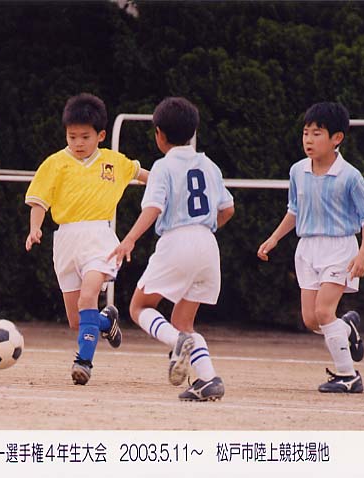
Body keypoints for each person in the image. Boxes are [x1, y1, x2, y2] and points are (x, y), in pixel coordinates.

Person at [108, 97, 235, 401]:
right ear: (193, 132)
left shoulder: (162, 167)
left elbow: (153, 207)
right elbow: (228, 209)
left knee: (139, 307)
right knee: (184, 321)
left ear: (159, 134)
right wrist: (203, 231)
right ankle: (208, 379)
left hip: (178, 240)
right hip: (208, 243)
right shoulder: (210, 166)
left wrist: (129, 239)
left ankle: (177, 342)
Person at [25, 92, 149, 385]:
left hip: (99, 239)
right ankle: (106, 321)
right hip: (66, 241)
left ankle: (84, 362)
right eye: (72, 137)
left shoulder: (114, 162)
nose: (78, 143)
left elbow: (147, 176)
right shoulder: (54, 163)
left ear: (100, 135)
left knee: (88, 295)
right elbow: (39, 201)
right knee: (76, 320)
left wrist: (171, 185)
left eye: (85, 137)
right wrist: (35, 228)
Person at [257, 102, 364, 393]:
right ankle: (347, 328)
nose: (309, 140)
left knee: (325, 312)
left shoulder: (349, 175)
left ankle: (348, 376)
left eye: (317, 133)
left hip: (339, 249)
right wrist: (274, 238)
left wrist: (363, 253)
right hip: (307, 249)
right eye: (306, 133)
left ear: (337, 138)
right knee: (312, 319)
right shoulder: (297, 171)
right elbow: (294, 210)